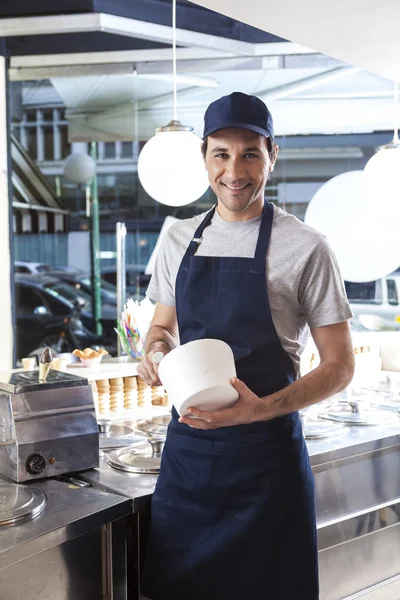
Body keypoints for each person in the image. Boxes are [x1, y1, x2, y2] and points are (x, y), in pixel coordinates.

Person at [138, 91, 355, 600]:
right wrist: (154, 353)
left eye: (250, 153)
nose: (235, 171)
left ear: (271, 155)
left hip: (266, 468)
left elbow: (340, 366)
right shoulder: (177, 238)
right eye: (222, 153)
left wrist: (260, 411)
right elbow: (162, 328)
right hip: (189, 462)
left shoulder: (307, 247)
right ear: (205, 158)